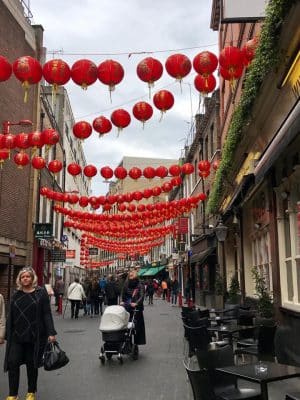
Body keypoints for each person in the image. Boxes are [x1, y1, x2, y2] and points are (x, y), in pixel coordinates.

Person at [4, 267, 56, 400]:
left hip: (34, 335)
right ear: (19, 279)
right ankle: (12, 394)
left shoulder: (40, 293)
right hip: (16, 336)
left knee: (31, 364)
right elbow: (10, 315)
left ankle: (31, 391)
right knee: (13, 362)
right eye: (23, 277)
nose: (25, 278)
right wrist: (4, 333)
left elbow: (46, 314)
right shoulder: (16, 294)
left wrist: (51, 332)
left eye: (27, 276)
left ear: (32, 278)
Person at [121, 269, 146, 349]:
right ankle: (127, 342)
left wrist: (137, 303)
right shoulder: (126, 283)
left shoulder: (140, 284)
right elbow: (123, 293)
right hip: (127, 307)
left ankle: (136, 344)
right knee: (126, 327)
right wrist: (122, 301)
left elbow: (142, 295)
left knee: (136, 327)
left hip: (136, 308)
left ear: (136, 274)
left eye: (132, 273)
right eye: (130, 273)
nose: (131, 274)